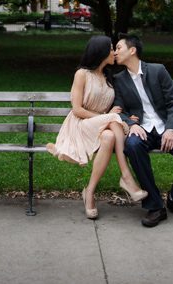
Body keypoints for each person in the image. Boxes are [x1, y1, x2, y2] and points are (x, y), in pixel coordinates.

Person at [47, 35, 147, 219]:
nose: (114, 52)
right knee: (113, 120)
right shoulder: (82, 74)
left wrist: (123, 115)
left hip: (102, 125)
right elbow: (77, 109)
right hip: (81, 124)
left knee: (109, 137)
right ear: (100, 52)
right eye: (110, 49)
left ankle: (90, 192)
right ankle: (126, 176)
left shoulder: (110, 77)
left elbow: (112, 104)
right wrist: (107, 116)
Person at [113, 34, 173, 228]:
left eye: (118, 48)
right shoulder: (119, 79)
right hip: (142, 131)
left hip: (165, 129)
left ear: (132, 50)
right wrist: (131, 124)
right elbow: (118, 110)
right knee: (132, 145)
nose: (115, 52)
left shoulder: (157, 71)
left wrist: (172, 128)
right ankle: (155, 205)